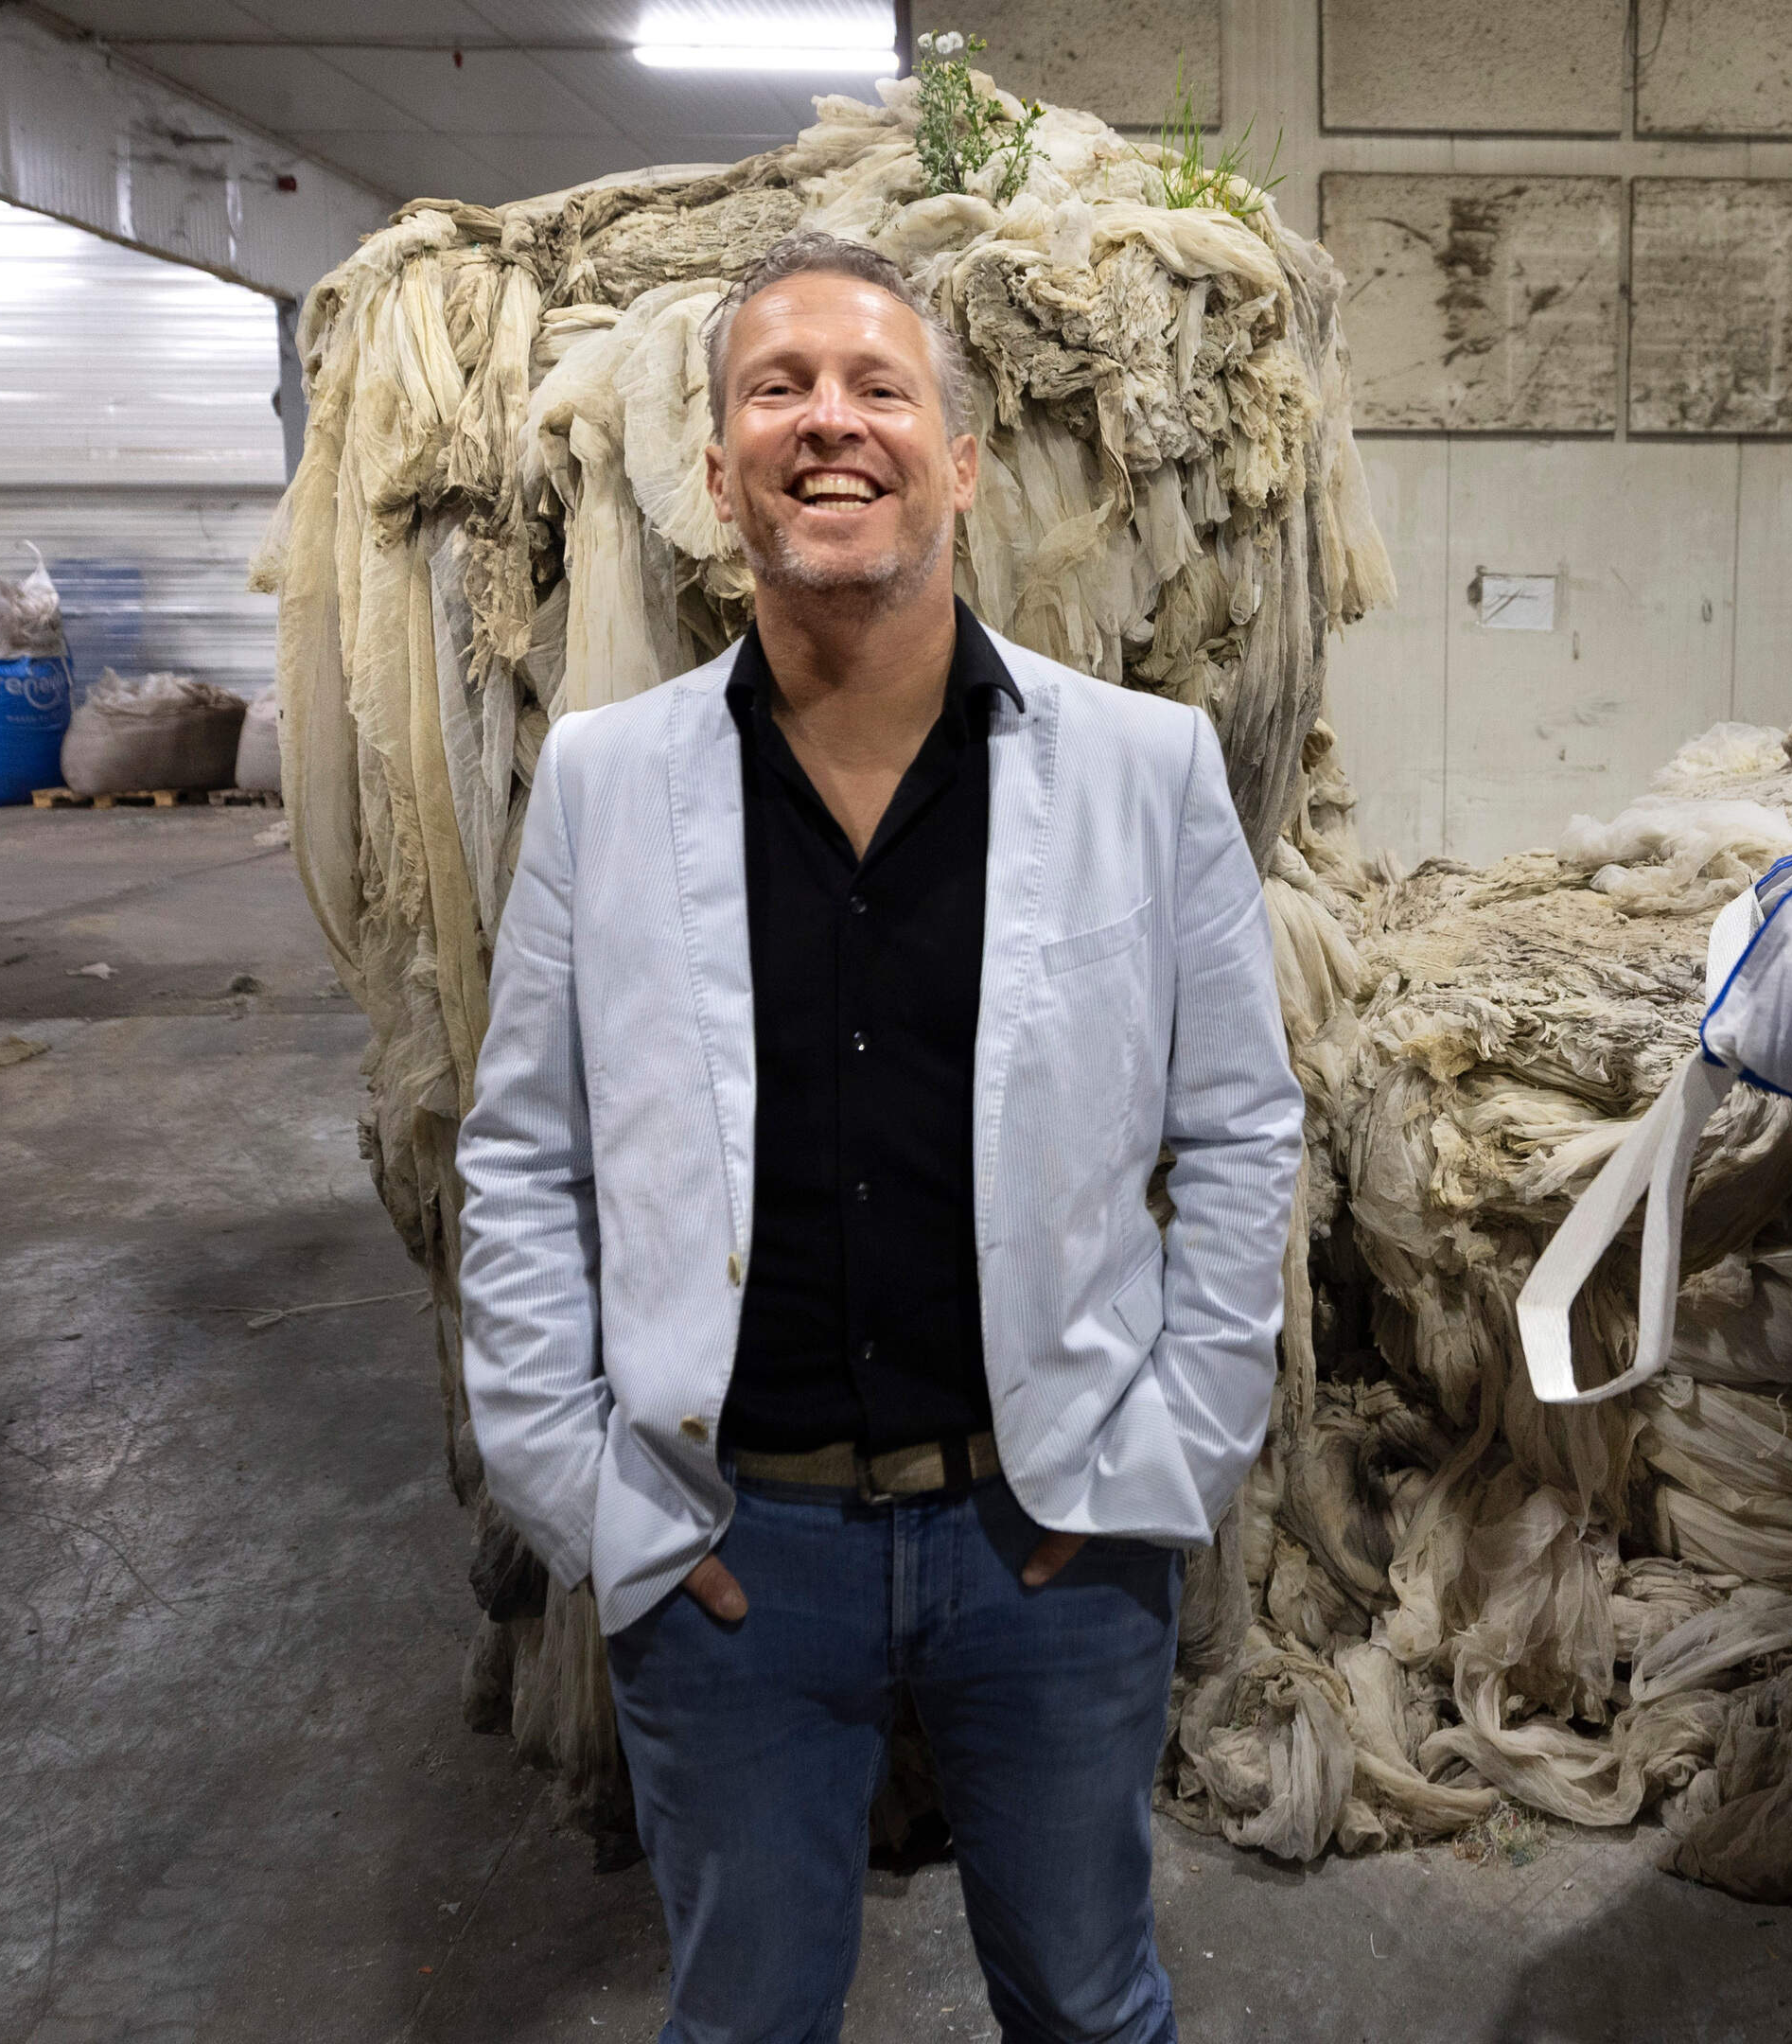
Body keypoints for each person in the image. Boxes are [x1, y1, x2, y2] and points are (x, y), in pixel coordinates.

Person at [456, 228, 1301, 2044]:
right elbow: (521, 1158)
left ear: (963, 459)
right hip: (732, 1547)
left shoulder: (1143, 772)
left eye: (876, 387)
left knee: (1086, 2003)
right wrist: (597, 1503)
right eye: (778, 390)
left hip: (1051, 1531)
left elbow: (1240, 1136)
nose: (828, 425)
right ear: (716, 472)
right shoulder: (608, 784)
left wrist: (1170, 1459)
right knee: (749, 2020)